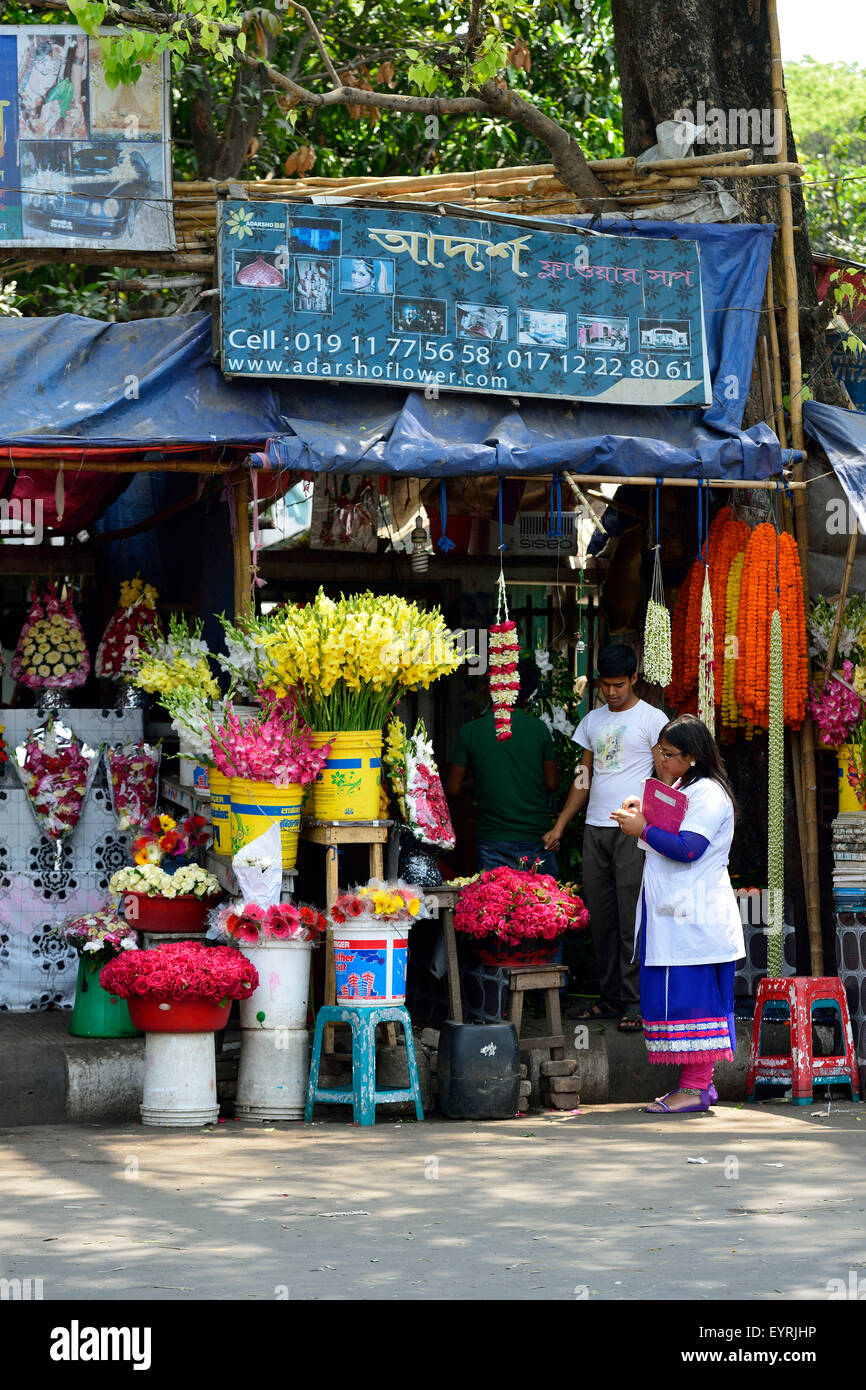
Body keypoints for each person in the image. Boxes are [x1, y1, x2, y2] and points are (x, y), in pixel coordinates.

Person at [610, 714, 745, 1114]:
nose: (661, 761)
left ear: (692, 756)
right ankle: (697, 1086)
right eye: (661, 752)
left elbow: (688, 847)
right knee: (680, 1000)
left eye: (669, 754)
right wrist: (644, 814)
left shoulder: (709, 794)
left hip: (694, 917)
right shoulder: (684, 786)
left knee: (694, 1003)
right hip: (673, 913)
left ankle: (695, 1088)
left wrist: (642, 830)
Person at [543, 643, 666, 1031]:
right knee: (600, 919)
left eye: (618, 685)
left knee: (632, 916)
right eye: (605, 685)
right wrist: (562, 823)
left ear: (634, 680)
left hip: (633, 831)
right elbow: (584, 777)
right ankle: (611, 998)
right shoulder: (592, 722)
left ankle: (635, 1002)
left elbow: (665, 778)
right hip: (596, 829)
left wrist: (652, 824)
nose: (611, 692)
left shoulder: (653, 719)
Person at [447, 659, 559, 876]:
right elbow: (552, 783)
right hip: (535, 837)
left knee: (494, 905)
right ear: (528, 695)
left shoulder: (470, 732)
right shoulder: (539, 730)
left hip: (492, 838)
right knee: (538, 906)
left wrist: (480, 782)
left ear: (492, 690)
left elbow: (452, 788)